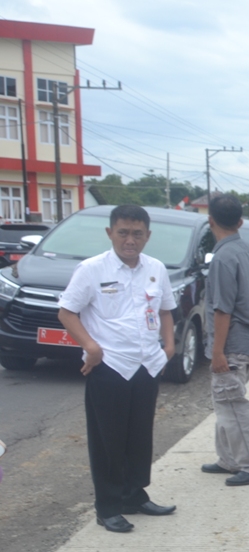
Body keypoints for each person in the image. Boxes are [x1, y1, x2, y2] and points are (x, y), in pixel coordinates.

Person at [57, 204, 178, 533]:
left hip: (146, 365)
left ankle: (134, 495)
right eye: (123, 232)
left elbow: (166, 310)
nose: (130, 240)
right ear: (110, 233)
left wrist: (169, 347)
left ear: (147, 236)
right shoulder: (91, 269)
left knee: (139, 437)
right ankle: (108, 506)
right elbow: (67, 312)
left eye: (137, 234)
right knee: (108, 440)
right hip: (110, 365)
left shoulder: (155, 269)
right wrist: (91, 347)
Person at [199, 195, 249, 486]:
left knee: (232, 402)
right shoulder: (248, 251)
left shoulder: (223, 257)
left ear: (210, 220)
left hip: (233, 343)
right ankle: (228, 458)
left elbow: (223, 308)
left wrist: (218, 352)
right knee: (225, 401)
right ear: (240, 222)